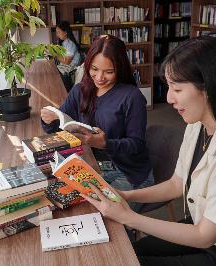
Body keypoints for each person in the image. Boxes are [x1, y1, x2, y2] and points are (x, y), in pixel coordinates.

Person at [81, 36, 216, 266]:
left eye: (176, 89)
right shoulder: (197, 124)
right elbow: (177, 184)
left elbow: (205, 236)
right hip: (207, 231)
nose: (168, 98)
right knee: (129, 253)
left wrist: (129, 218)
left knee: (128, 261)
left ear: (209, 89)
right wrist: (127, 195)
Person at [41, 35, 154, 212]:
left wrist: (104, 143)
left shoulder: (131, 97)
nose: (99, 77)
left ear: (120, 69)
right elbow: (59, 127)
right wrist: (49, 119)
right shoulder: (80, 90)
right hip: (92, 166)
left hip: (128, 173)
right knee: (59, 201)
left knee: (104, 217)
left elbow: (137, 144)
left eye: (109, 72)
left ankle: (129, 235)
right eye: (94, 69)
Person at [55, 21, 82, 90]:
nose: (57, 35)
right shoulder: (64, 43)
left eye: (59, 32)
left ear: (65, 32)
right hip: (66, 68)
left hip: (71, 70)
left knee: (53, 75)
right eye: (56, 32)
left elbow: (67, 61)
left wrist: (54, 55)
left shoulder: (70, 44)